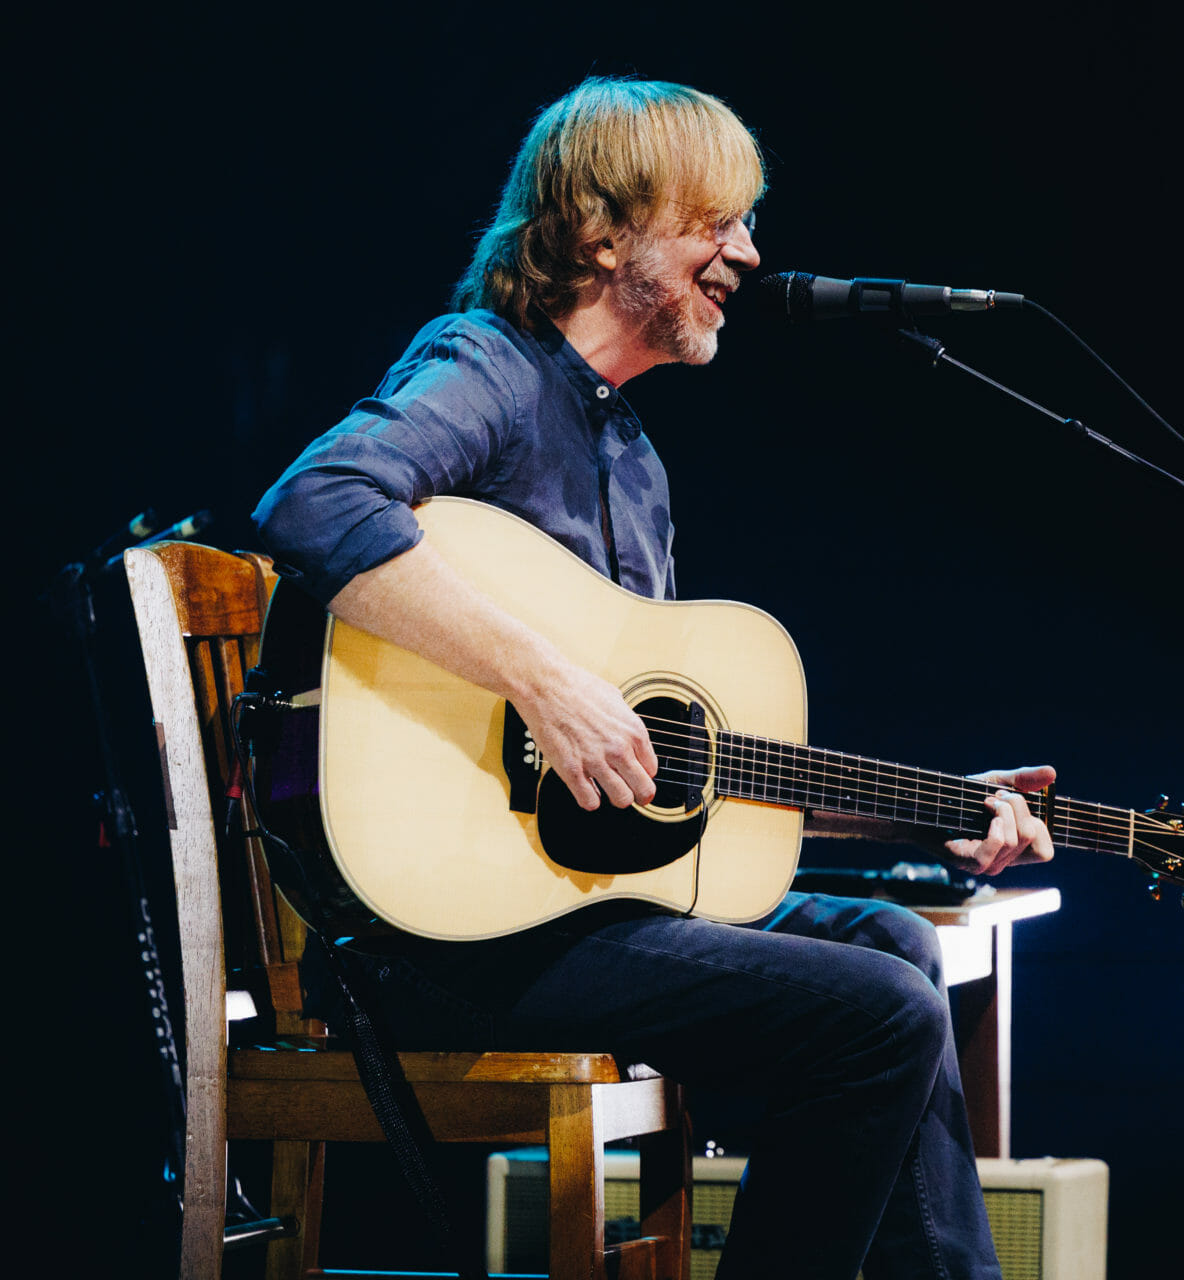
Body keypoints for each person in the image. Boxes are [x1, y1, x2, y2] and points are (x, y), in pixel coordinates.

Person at [253, 77, 1053, 1279]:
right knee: (877, 1014)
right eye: (716, 220)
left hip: (583, 906)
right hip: (441, 938)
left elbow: (670, 772)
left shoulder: (632, 458)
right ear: (601, 232)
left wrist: (925, 811)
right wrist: (544, 680)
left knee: (895, 943)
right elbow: (313, 500)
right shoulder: (490, 369)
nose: (750, 250)